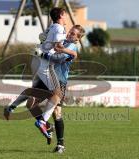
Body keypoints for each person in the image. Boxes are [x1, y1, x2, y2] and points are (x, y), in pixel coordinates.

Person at [4, 7, 76, 138]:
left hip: (36, 60)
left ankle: (12, 107)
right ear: (60, 15)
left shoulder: (52, 27)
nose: (66, 18)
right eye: (65, 15)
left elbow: (42, 37)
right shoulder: (59, 28)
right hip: (44, 63)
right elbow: (57, 47)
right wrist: (71, 52)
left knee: (34, 91)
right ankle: (43, 121)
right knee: (58, 94)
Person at [33, 25, 85, 153]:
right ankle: (47, 126)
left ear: (77, 38)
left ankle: (60, 144)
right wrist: (44, 41)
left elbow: (58, 59)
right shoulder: (62, 41)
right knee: (31, 103)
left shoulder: (72, 46)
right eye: (70, 31)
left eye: (73, 34)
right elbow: (51, 49)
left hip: (59, 79)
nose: (69, 34)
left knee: (57, 112)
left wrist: (42, 55)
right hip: (47, 76)